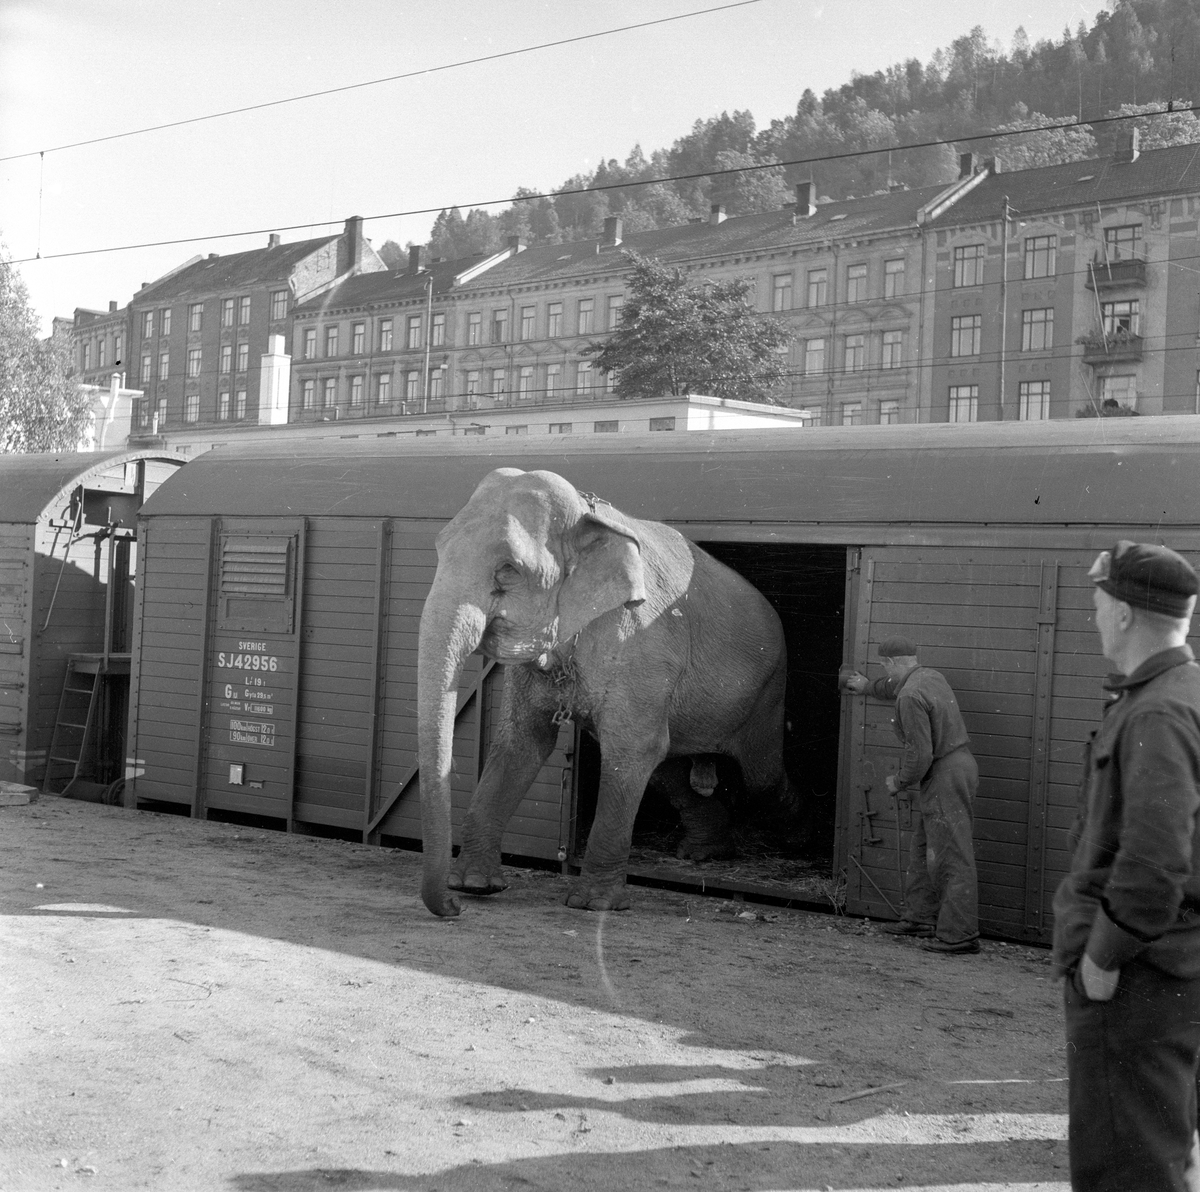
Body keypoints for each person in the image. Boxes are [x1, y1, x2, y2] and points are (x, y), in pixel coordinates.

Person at [1053, 541, 1200, 1191]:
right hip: (1177, 968)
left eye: (1096, 604)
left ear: (1121, 615)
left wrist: (1101, 958)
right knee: (1167, 1149)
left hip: (1139, 978)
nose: (1093, 618)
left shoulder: (1157, 710)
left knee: (1127, 1162)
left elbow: (1154, 861)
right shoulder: (1182, 693)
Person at [842, 636, 980, 954]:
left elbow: (920, 756)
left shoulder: (909, 696)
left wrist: (899, 782)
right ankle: (920, 917)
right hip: (956, 767)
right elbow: (894, 687)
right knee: (924, 847)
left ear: (891, 663)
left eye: (882, 665)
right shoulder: (929, 676)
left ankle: (959, 934)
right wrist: (866, 686)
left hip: (944, 773)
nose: (882, 669)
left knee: (952, 855)